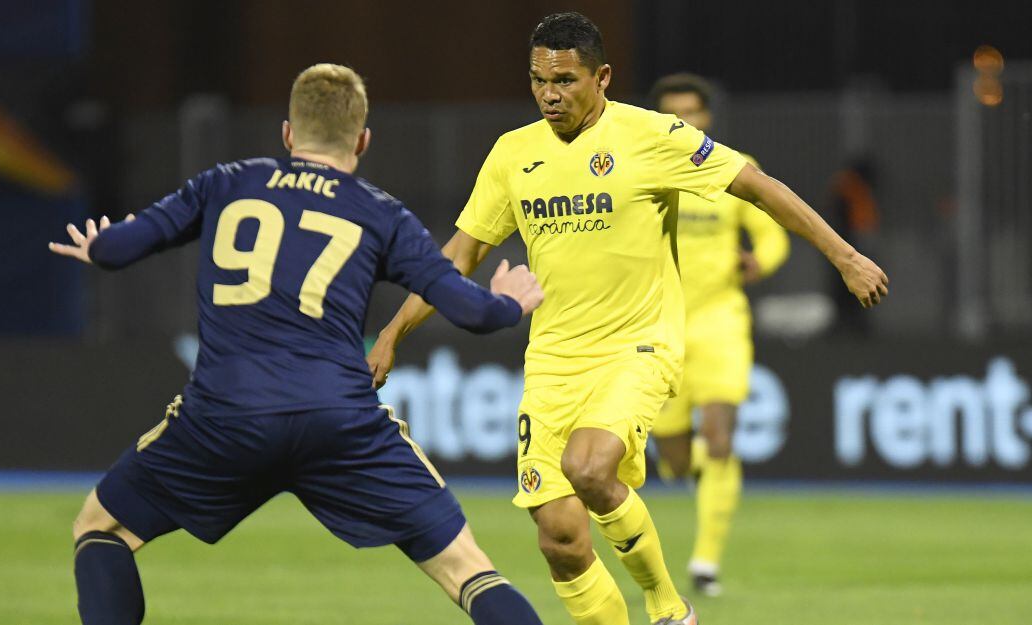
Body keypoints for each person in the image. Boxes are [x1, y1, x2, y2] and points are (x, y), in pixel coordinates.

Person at [366, 12, 888, 625]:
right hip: (553, 361)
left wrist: (846, 257)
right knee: (560, 540)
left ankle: (668, 604)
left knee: (589, 467)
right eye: (538, 80)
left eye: (564, 80)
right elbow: (459, 255)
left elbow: (758, 186)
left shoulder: (653, 136)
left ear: (603, 77)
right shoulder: (513, 153)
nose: (549, 94)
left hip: (637, 346)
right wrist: (393, 333)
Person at [49, 63, 546, 625]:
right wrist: (509, 302)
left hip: (226, 416)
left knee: (100, 528)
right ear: (362, 140)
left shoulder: (225, 183)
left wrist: (100, 245)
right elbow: (473, 312)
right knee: (466, 568)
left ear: (287, 133)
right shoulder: (382, 214)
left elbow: (116, 249)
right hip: (338, 421)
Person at [648, 72, 790, 597]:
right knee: (674, 459)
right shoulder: (642, 170)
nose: (684, 121)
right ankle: (706, 476)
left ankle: (705, 561)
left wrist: (759, 261)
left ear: (707, 117)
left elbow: (773, 234)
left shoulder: (734, 167)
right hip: (661, 324)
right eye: (674, 113)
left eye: (692, 112)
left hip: (721, 320)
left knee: (720, 436)